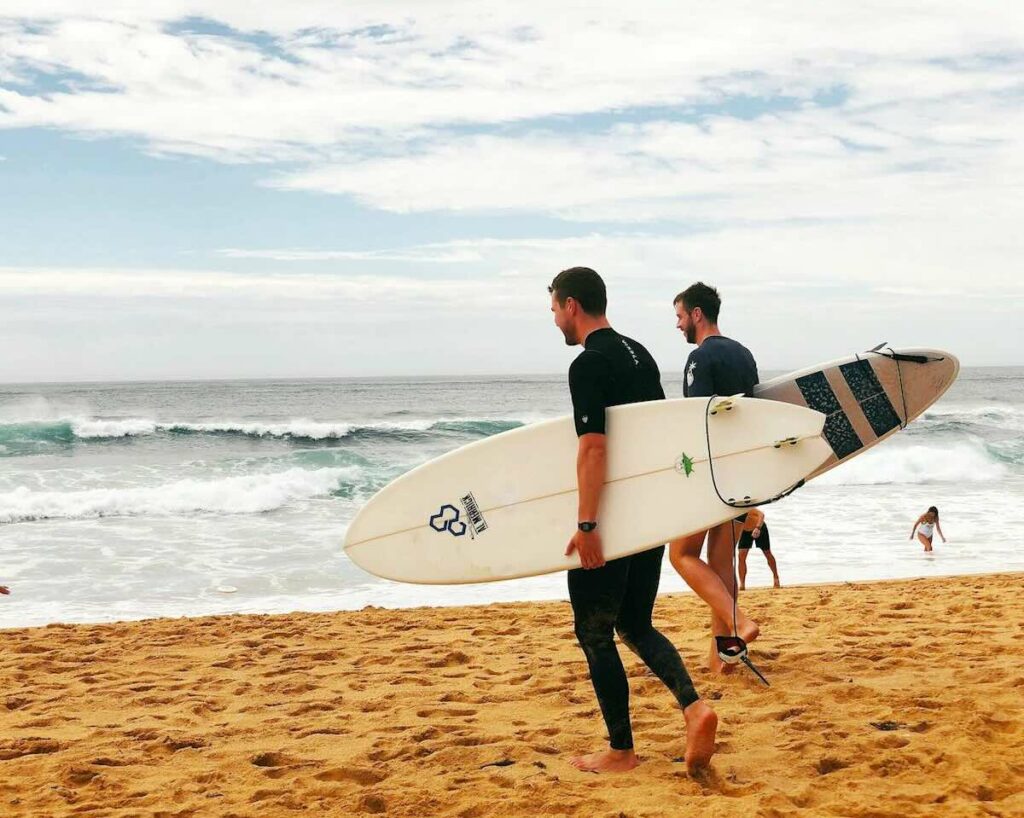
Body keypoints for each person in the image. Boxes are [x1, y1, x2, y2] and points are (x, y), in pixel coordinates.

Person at [550, 266, 717, 775]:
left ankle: (621, 751)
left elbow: (594, 447)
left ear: (572, 306)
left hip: (613, 520)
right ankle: (694, 708)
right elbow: (658, 435)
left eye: (555, 308)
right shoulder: (638, 352)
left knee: (594, 631)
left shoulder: (588, 364)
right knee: (635, 622)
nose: (555, 319)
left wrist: (586, 525)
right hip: (649, 512)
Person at [666, 282, 761, 674]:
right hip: (740, 471)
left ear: (697, 315)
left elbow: (697, 420)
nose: (678, 325)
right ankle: (724, 658)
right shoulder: (744, 354)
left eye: (679, 316)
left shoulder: (699, 358)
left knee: (681, 554)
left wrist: (682, 473)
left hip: (711, 473)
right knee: (721, 568)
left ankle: (739, 624)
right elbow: (752, 414)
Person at [737, 509, 780, 590]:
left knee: (767, 553)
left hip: (759, 527)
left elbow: (761, 515)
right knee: (741, 556)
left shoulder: (747, 507)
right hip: (744, 531)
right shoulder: (730, 511)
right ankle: (742, 584)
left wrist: (757, 528)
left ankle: (776, 577)